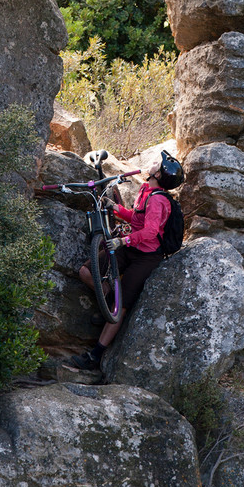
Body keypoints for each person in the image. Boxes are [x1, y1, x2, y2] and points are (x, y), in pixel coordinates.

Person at [68, 149, 184, 371]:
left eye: (156, 164)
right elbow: (136, 217)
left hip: (147, 256)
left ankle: (95, 355)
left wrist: (123, 241)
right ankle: (109, 303)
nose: (151, 164)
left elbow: (150, 231)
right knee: (86, 271)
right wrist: (117, 210)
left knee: (120, 308)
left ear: (158, 175)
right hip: (131, 245)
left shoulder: (159, 201)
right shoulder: (146, 190)